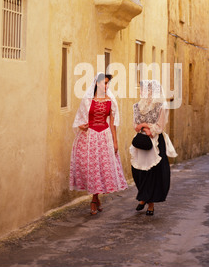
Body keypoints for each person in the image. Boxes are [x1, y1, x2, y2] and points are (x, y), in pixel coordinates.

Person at [70, 73, 128, 215]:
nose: (106, 86)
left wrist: (115, 141)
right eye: (104, 83)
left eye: (108, 83)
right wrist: (81, 126)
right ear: (97, 83)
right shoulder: (87, 100)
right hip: (89, 137)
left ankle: (94, 199)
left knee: (101, 168)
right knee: (92, 167)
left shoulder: (111, 100)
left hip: (104, 136)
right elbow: (80, 119)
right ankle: (95, 198)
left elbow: (113, 123)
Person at [130, 80, 177, 216]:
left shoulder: (161, 106)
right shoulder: (137, 106)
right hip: (141, 141)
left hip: (155, 142)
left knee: (152, 173)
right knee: (138, 171)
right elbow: (135, 125)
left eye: (144, 89)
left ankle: (150, 204)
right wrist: (145, 125)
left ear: (152, 91)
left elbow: (159, 127)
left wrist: (145, 127)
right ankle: (143, 196)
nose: (141, 92)